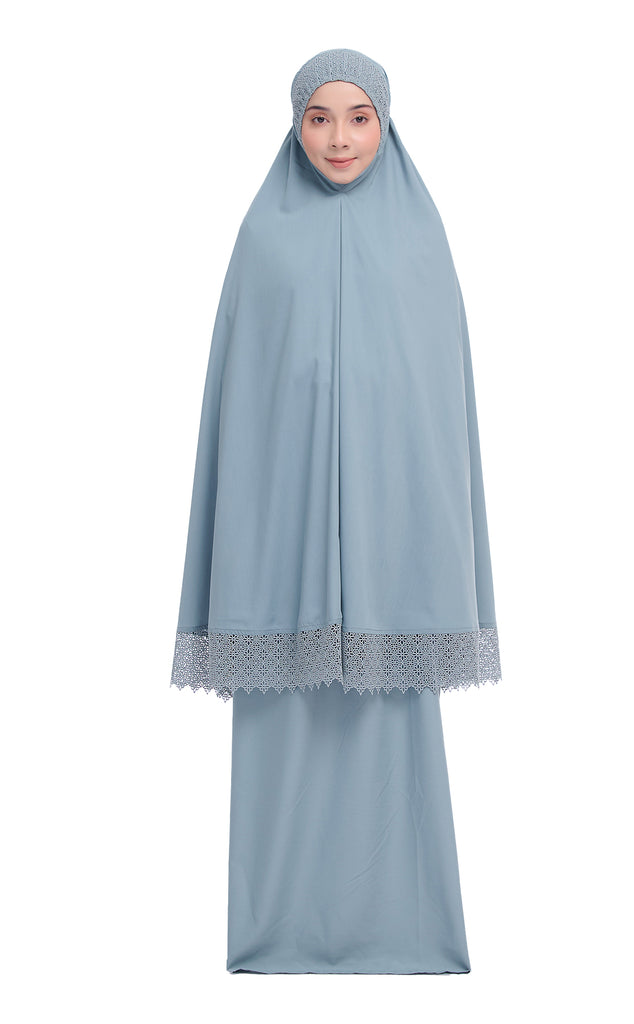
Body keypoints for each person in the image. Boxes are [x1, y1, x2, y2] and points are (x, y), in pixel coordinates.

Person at [170, 47, 502, 975]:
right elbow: (240, 395)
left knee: (392, 725)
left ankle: (407, 932)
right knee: (281, 722)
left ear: (385, 122)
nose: (340, 138)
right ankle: (277, 934)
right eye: (319, 117)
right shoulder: (263, 240)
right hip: (280, 522)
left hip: (394, 524)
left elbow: (439, 402)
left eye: (359, 117)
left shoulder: (420, 240)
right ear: (295, 125)